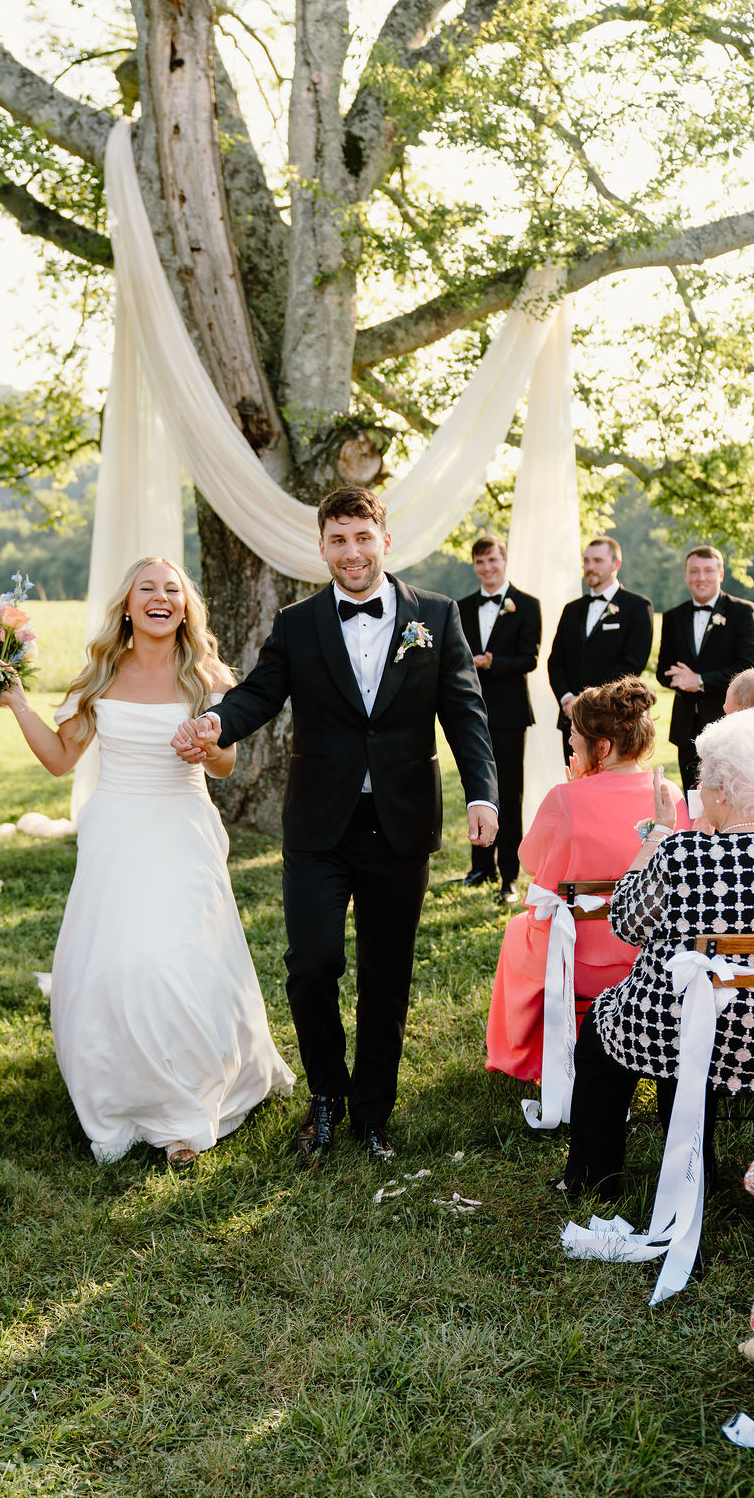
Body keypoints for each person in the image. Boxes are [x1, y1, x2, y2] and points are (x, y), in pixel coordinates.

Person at [172, 487, 498, 1163]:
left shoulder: (436, 615)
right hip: (321, 823)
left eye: (363, 537)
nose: (352, 552)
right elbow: (260, 691)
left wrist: (483, 793)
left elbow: (464, 710)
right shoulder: (298, 623)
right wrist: (217, 721)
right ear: (322, 547)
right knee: (311, 963)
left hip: (401, 824)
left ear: (384, 540)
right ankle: (325, 1094)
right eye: (339, 540)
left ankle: (372, 1112)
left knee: (388, 974)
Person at [0, 556, 294, 1167]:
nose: (161, 597)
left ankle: (187, 1105)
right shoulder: (101, 673)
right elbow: (60, 759)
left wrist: (206, 746)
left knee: (179, 958)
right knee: (120, 959)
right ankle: (125, 1094)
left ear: (185, 607)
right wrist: (18, 702)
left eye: (173, 589)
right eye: (147, 589)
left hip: (182, 826)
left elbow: (225, 766)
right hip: (117, 829)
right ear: (128, 605)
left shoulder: (206, 675)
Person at [556, 708, 754, 1199]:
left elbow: (625, 923)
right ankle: (697, 1168)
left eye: (705, 781)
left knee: (601, 1033)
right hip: (749, 1035)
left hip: (669, 1022)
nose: (701, 792)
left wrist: (659, 835)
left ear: (725, 792)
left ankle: (593, 1177)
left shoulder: (681, 853)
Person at [486, 678, 689, 1083]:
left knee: (515, 931)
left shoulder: (566, 797)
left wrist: (577, 789)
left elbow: (529, 862)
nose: (571, 739)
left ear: (602, 746)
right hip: (651, 961)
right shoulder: (669, 794)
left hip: (574, 961)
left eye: (576, 733)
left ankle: (523, 1053)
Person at [457, 533, 541, 906]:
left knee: (509, 792)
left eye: (492, 561)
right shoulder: (460, 606)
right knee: (476, 788)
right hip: (471, 712)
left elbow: (530, 659)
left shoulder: (526, 605)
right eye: (480, 563)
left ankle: (508, 874)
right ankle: (480, 868)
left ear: (504, 561)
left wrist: (493, 663)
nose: (487, 568)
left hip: (509, 714)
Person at [655, 546, 754, 794]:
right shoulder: (673, 617)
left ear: (720, 574)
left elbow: (747, 666)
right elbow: (662, 672)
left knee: (730, 796)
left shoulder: (742, 612)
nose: (701, 578)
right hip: (685, 725)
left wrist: (699, 680)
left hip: (728, 723)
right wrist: (679, 679)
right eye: (694, 571)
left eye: (708, 571)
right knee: (692, 799)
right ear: (686, 576)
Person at [547, 536, 654, 762]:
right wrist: (567, 698)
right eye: (586, 561)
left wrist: (589, 699)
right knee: (575, 785)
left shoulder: (637, 607)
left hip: (612, 718)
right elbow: (555, 661)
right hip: (572, 720)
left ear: (616, 564)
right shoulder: (572, 610)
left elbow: (631, 664)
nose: (589, 567)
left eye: (597, 561)